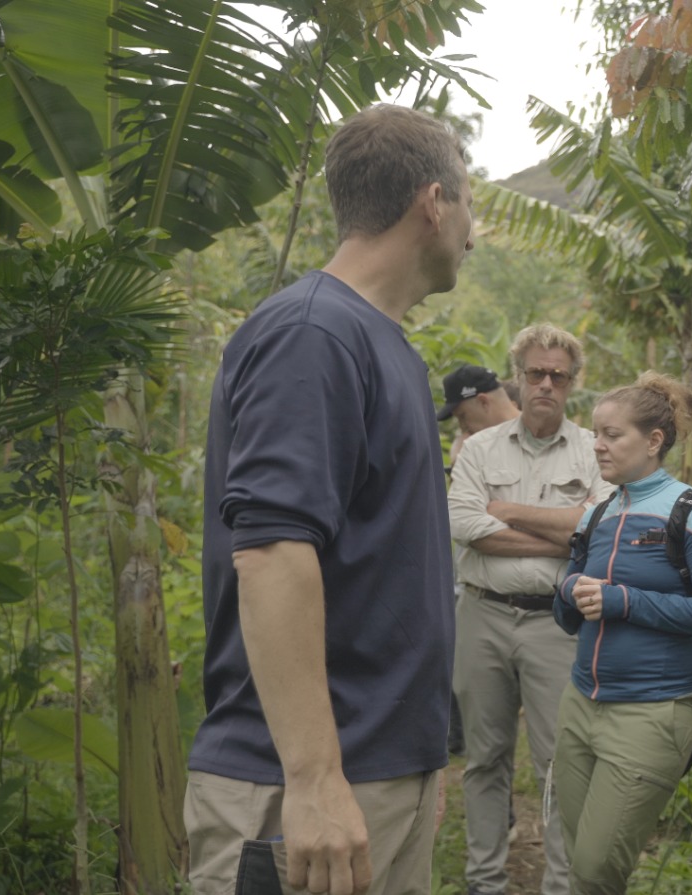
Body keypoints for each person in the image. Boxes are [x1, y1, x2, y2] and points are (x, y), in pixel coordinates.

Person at [186, 104, 474, 895]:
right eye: (469, 203)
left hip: (376, 773)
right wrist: (313, 778)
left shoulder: (382, 344)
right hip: (297, 789)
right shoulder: (314, 334)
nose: (473, 231)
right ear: (433, 203)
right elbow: (273, 552)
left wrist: (418, 758)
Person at [552, 372, 692, 895]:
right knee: (580, 862)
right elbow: (566, 607)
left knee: (596, 870)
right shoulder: (598, 513)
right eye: (596, 433)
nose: (597, 444)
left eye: (612, 435)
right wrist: (569, 590)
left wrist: (623, 601)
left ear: (653, 440)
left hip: (650, 713)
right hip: (580, 704)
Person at [448, 325, 612, 895]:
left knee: (560, 764)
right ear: (517, 377)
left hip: (557, 622)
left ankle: (562, 885)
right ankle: (484, 881)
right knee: (484, 759)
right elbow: (464, 525)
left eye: (558, 376)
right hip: (483, 615)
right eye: (536, 373)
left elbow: (601, 531)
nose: (546, 384)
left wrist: (507, 513)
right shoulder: (479, 448)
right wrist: (563, 536)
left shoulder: (595, 451)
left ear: (572, 383)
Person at [437, 363, 523, 758]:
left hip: (540, 604)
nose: (461, 427)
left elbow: (578, 527)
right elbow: (469, 525)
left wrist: (505, 515)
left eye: (462, 416)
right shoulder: (471, 449)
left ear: (483, 401)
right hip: (477, 595)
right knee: (485, 744)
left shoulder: (542, 438)